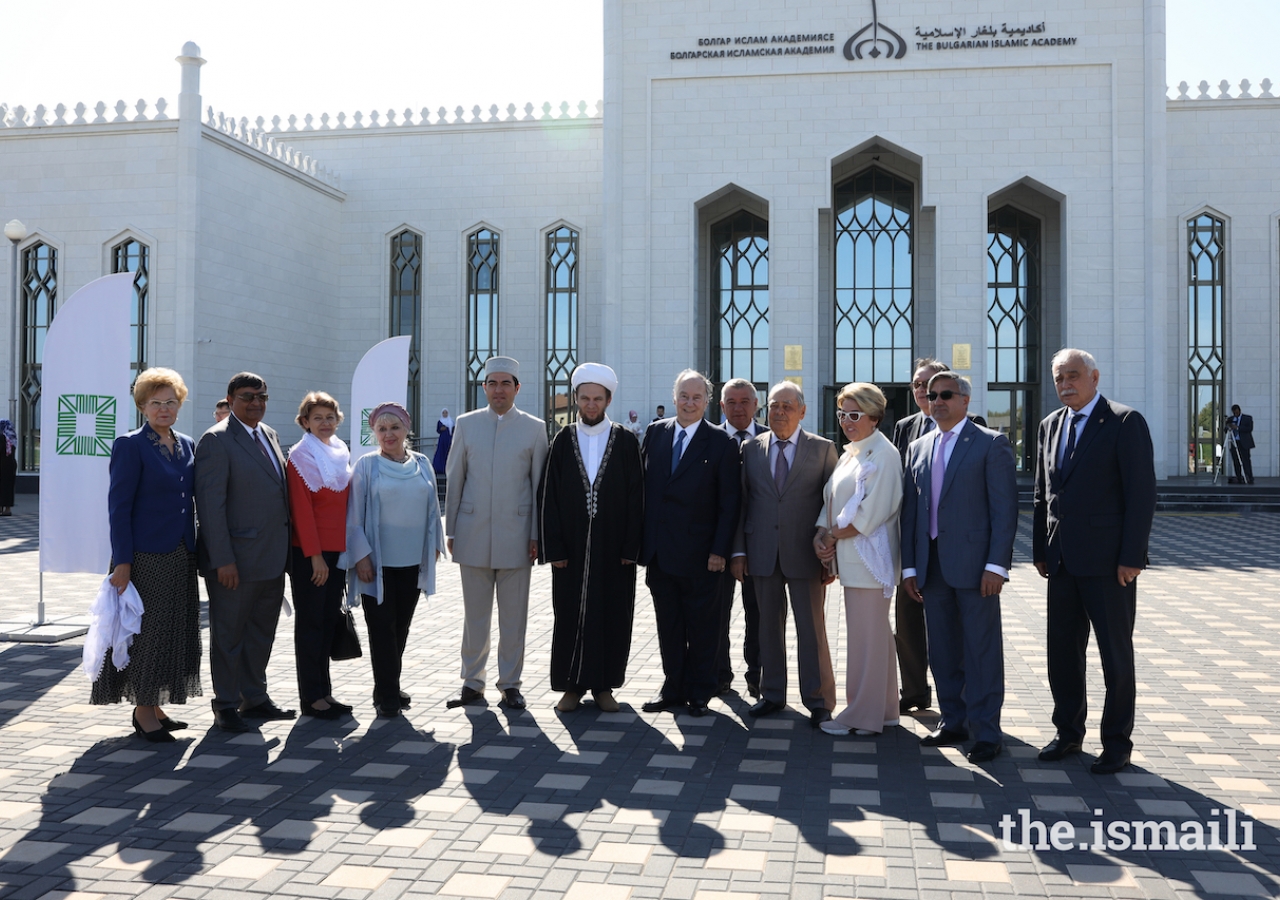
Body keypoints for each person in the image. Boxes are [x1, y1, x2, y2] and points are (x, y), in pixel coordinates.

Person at [1033, 348, 1156, 775]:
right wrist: (1040, 550)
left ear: (1094, 377)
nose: (1065, 383)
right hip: (1062, 562)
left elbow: (1142, 496)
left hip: (1109, 565)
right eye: (1058, 378)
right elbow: (1042, 494)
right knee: (1062, 654)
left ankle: (1117, 743)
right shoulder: (1050, 425)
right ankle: (1068, 732)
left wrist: (1132, 557)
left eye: (1073, 375)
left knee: (1114, 657)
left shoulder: (1124, 422)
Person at [900, 372, 1018, 763]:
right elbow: (912, 515)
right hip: (931, 569)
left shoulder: (990, 444)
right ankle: (954, 722)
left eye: (946, 394)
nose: (937, 401)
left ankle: (986, 732)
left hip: (975, 568)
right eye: (931, 395)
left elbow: (1004, 511)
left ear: (966, 400)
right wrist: (909, 567)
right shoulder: (917, 448)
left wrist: (996, 565)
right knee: (944, 651)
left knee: (981, 651)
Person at [95, 368, 202, 742]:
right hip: (143, 557)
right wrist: (122, 561)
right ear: (142, 406)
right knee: (148, 632)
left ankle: (156, 703)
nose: (164, 409)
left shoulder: (187, 443)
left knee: (174, 628)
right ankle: (142, 712)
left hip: (180, 553)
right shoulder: (130, 445)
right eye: (155, 403)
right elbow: (118, 508)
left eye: (170, 402)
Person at [538, 363, 644, 713]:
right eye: (585, 398)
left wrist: (632, 546)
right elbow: (549, 496)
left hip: (614, 549)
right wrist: (553, 546)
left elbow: (636, 496)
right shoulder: (563, 439)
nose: (591, 404)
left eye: (598, 398)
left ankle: (603, 686)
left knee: (612, 613)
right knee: (569, 613)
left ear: (608, 399)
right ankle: (571, 686)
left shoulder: (626, 441)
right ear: (576, 399)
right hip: (570, 547)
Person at [445, 356, 548, 710]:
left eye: (506, 383)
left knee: (514, 615)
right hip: (472, 531)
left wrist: (536, 533)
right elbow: (455, 479)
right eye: (493, 383)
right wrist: (452, 529)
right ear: (484, 387)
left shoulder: (535, 428)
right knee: (475, 615)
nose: (499, 390)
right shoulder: (466, 424)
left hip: (517, 534)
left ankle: (511, 684)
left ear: (517, 388)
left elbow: (539, 488)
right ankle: (472, 683)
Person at [733, 382, 838, 726]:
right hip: (761, 552)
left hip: (805, 554)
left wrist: (829, 554)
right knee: (767, 628)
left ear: (802, 412)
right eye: (774, 406)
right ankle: (772, 694)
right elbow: (743, 503)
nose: (779, 412)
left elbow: (832, 506)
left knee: (812, 629)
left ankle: (818, 699)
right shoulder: (750, 449)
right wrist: (739, 551)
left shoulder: (823, 450)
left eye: (787, 407)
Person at [194, 372, 293, 732]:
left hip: (270, 558)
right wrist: (223, 560)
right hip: (234, 563)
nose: (256, 403)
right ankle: (225, 704)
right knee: (229, 636)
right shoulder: (215, 441)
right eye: (248, 396)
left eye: (262, 396)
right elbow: (210, 506)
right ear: (230, 399)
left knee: (260, 633)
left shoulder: (270, 435)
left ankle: (255, 697)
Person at [639, 369, 741, 717]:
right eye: (684, 395)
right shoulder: (655, 433)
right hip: (660, 553)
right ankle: (673, 688)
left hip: (702, 556)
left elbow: (730, 503)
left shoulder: (722, 442)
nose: (689, 403)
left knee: (702, 627)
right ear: (674, 397)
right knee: (669, 625)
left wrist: (719, 551)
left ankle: (700, 690)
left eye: (697, 397)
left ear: (707, 402)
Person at [890, 357, 988, 714]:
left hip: (959, 555)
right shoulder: (906, 428)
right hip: (916, 546)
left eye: (933, 387)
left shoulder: (974, 429)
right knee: (908, 623)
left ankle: (963, 704)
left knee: (955, 633)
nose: (925, 393)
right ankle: (915, 691)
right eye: (918, 386)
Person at [344, 403, 445, 718]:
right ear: (374, 433)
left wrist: (435, 546)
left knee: (400, 626)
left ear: (406, 431)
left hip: (413, 561)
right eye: (382, 429)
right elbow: (354, 516)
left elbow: (433, 509)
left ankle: (388, 684)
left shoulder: (422, 462)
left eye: (395, 428)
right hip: (377, 564)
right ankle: (387, 694)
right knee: (381, 627)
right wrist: (361, 556)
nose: (389, 434)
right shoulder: (366, 466)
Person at [814, 383, 902, 736]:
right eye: (842, 414)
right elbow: (832, 500)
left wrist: (832, 536)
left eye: (855, 415)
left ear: (875, 417)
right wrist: (821, 533)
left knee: (866, 640)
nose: (847, 421)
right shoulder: (854, 452)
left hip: (869, 561)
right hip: (852, 560)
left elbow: (870, 514)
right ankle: (885, 711)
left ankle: (860, 717)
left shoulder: (884, 454)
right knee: (876, 637)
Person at [286, 391, 353, 719]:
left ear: (338, 420)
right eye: (317, 418)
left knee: (328, 622)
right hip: (311, 555)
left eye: (330, 417)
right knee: (311, 624)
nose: (324, 423)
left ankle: (325, 692)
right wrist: (315, 556)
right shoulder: (300, 457)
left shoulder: (340, 452)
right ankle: (311, 698)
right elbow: (301, 512)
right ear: (304, 422)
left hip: (337, 552)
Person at [717, 378, 767, 697]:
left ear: (755, 404)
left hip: (758, 544)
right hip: (715, 545)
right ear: (721, 406)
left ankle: (757, 675)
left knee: (758, 614)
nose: (738, 408)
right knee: (715, 614)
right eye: (731, 402)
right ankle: (719, 673)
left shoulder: (770, 439)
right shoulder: (707, 439)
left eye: (744, 401)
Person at [1227, 404, 1254, 485]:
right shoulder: (1231, 419)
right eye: (1234, 412)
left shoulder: (1247, 418)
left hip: (1244, 443)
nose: (1235, 413)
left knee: (1246, 460)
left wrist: (1237, 427)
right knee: (1236, 461)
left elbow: (1249, 429)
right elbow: (1225, 429)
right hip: (1234, 442)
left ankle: (1249, 476)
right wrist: (1228, 426)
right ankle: (1239, 477)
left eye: (1236, 412)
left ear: (1239, 410)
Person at [0, 418, 15, 516]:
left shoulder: (2, 437)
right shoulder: (12, 438)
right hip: (11, 465)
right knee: (9, 488)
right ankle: (7, 509)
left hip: (2, 466)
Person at [433, 408, 455, 477]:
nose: (445, 414)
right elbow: (438, 430)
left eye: (446, 413)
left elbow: (454, 430)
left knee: (449, 453)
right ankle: (440, 468)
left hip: (449, 439)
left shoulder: (451, 421)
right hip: (442, 440)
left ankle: (449, 469)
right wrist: (442, 429)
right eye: (443, 413)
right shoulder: (440, 421)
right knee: (441, 452)